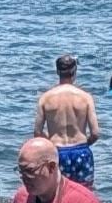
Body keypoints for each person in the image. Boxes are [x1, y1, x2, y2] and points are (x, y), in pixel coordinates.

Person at [33, 54, 100, 187]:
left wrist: (51, 144)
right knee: (85, 195)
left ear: (57, 72)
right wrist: (83, 144)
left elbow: (37, 132)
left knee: (57, 194)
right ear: (75, 71)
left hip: (57, 152)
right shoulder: (85, 97)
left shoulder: (45, 98)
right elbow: (95, 133)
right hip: (81, 151)